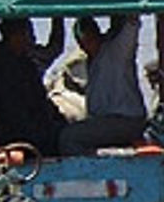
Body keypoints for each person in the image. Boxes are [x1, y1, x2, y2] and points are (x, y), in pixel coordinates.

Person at [0, 17, 67, 155]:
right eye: (27, 34)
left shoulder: (27, 60)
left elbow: (55, 48)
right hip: (19, 135)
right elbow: (19, 110)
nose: (31, 39)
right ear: (14, 36)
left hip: (33, 127)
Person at [58, 14, 147, 154]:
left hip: (125, 121)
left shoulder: (117, 51)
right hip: (105, 121)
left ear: (97, 34)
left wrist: (131, 18)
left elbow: (131, 28)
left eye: (90, 37)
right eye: (82, 41)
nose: (86, 44)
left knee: (69, 137)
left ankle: (90, 172)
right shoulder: (90, 61)